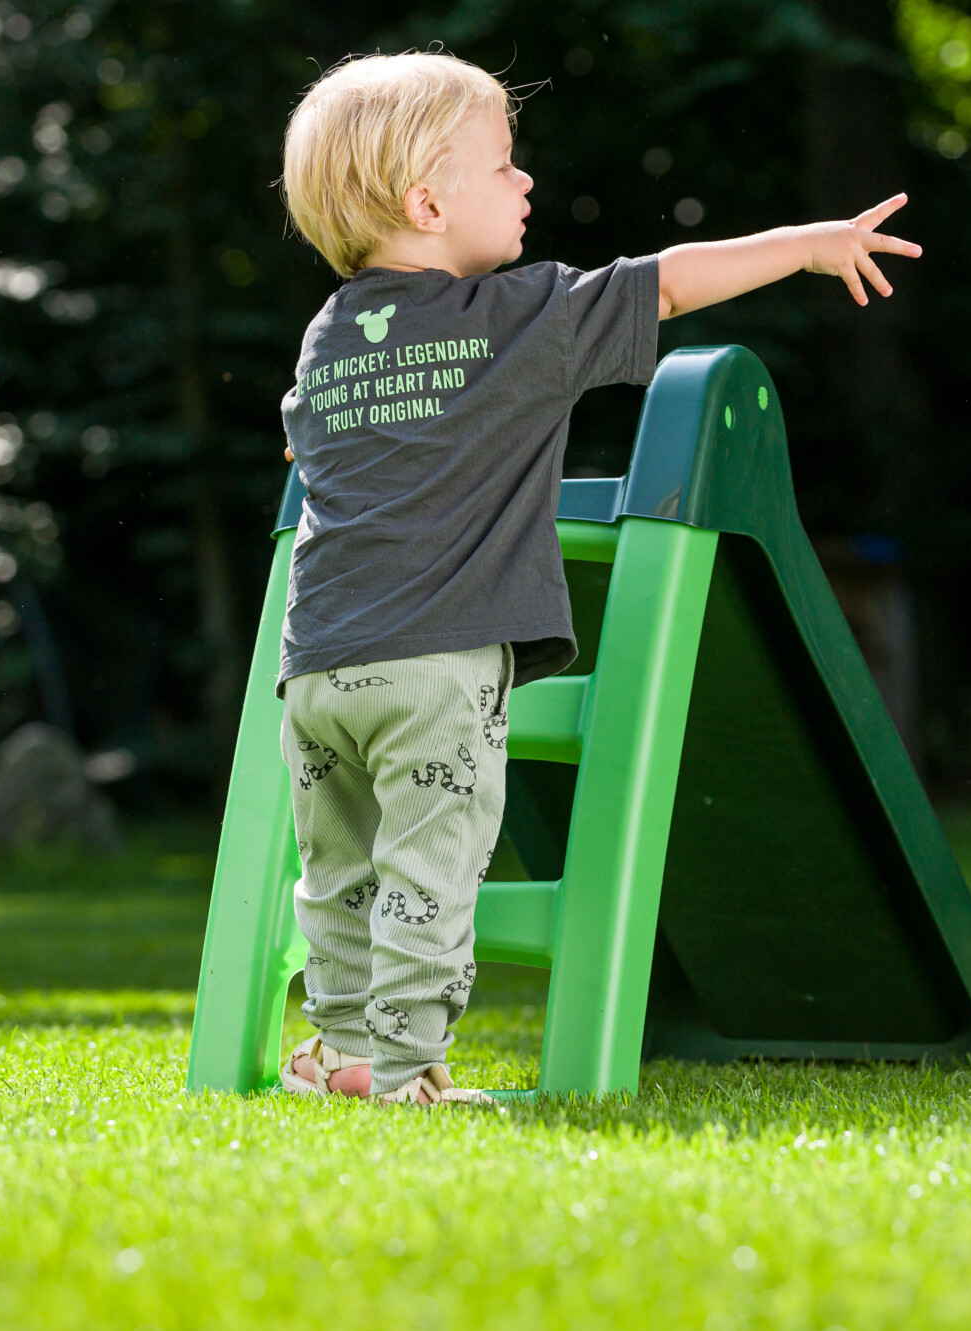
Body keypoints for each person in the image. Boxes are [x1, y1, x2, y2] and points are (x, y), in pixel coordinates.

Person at [273, 51, 921, 1103]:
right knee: (430, 874)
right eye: (504, 164)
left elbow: (305, 446)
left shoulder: (328, 337)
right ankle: (404, 1073)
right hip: (435, 668)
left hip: (317, 671)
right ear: (427, 203)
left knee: (339, 871)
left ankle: (341, 1050)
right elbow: (670, 281)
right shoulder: (518, 314)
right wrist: (808, 244)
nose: (525, 180)